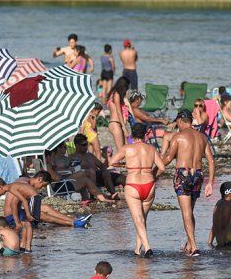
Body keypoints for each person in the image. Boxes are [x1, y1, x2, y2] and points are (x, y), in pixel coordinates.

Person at [162, 109, 215, 256]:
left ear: (180, 120)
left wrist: (153, 171)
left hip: (183, 174)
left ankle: (194, 246)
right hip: (198, 175)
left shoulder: (178, 137)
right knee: (190, 212)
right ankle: (189, 244)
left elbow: (167, 159)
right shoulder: (202, 137)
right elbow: (211, 160)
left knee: (185, 213)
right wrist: (210, 182)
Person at [109, 123, 166, 257]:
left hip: (133, 185)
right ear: (145, 134)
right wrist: (153, 175)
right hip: (149, 184)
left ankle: (147, 248)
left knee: (137, 219)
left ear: (132, 135)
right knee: (142, 220)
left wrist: (125, 164)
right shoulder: (151, 149)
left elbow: (112, 162)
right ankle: (137, 249)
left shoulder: (127, 148)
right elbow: (162, 168)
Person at [45, 143, 115, 202]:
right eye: (51, 156)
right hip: (59, 186)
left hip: (60, 184)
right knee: (84, 178)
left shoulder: (46, 165)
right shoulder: (47, 166)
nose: (52, 157)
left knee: (83, 177)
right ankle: (101, 197)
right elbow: (57, 178)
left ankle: (88, 198)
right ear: (48, 157)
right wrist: (65, 172)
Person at [107, 77, 131, 150]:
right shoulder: (116, 94)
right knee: (121, 150)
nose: (127, 89)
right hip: (115, 124)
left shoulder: (113, 93)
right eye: (127, 87)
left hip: (115, 123)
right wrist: (124, 128)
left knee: (127, 146)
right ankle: (114, 161)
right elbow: (119, 112)